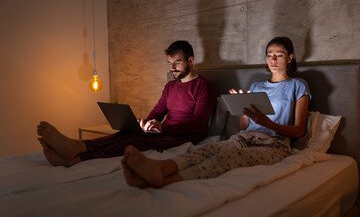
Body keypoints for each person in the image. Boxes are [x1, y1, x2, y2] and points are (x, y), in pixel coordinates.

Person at [121, 36, 311, 188]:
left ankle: (165, 180)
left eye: (279, 55)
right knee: (206, 150)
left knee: (227, 158)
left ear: (290, 57)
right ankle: (160, 167)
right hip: (244, 137)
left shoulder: (297, 85)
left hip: (275, 145)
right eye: (269, 55)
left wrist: (266, 123)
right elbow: (244, 126)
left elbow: (298, 131)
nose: (273, 60)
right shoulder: (256, 85)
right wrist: (243, 110)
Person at [37, 40, 217, 167]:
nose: (172, 68)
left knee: (137, 141)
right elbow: (158, 111)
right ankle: (77, 147)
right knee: (127, 133)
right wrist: (145, 123)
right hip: (165, 132)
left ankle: (77, 157)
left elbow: (198, 123)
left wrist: (164, 129)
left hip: (187, 137)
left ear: (190, 61)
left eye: (176, 63)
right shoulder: (170, 86)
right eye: (169, 63)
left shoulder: (205, 86)